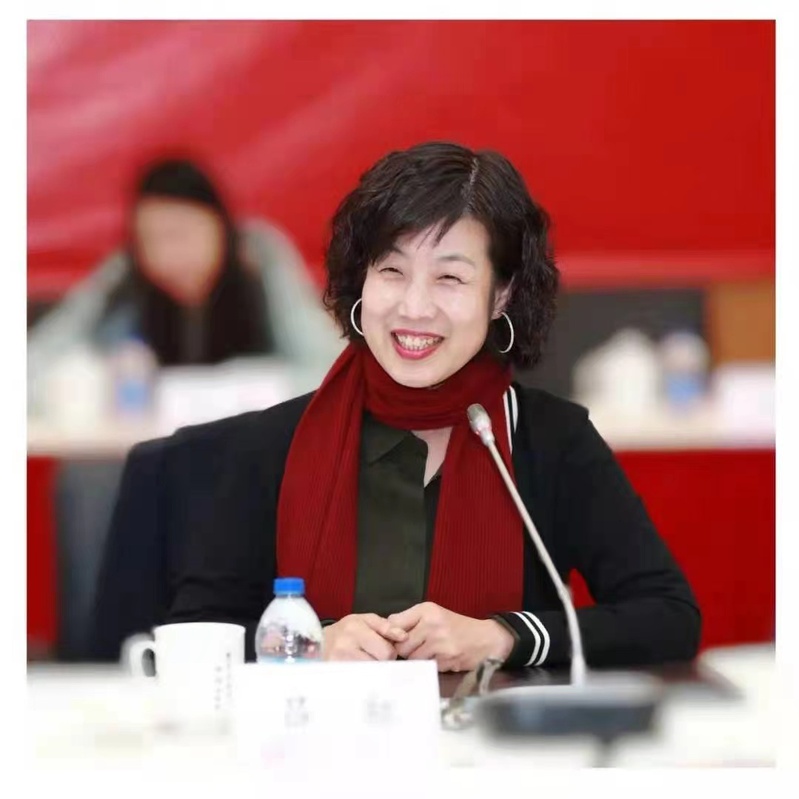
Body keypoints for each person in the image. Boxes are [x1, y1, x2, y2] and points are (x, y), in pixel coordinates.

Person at [91, 142, 701, 671]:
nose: (414, 307)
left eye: (450, 278)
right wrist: (306, 645)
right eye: (392, 271)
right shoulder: (273, 446)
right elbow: (194, 637)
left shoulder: (548, 440)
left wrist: (503, 637)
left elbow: (668, 617)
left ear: (501, 295)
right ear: (361, 280)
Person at [28, 157, 342, 413]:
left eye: (180, 235)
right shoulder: (125, 275)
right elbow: (34, 365)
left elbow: (329, 370)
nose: (167, 256)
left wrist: (237, 386)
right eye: (150, 240)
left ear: (222, 226)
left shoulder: (259, 258)